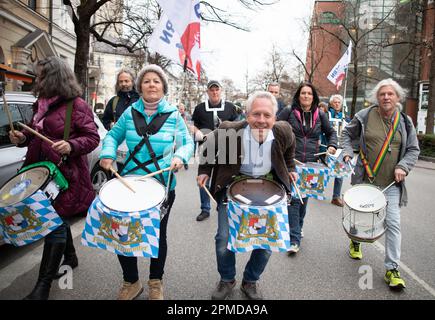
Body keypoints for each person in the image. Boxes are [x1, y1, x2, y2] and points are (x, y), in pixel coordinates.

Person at [99, 64, 194, 300]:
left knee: (157, 235)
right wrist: (108, 154)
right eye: (147, 81)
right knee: (123, 233)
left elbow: (187, 143)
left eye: (156, 81)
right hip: (129, 183)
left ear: (163, 87)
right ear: (140, 86)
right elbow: (112, 136)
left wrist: (180, 156)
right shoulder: (129, 112)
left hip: (161, 185)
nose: (152, 84)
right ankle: (131, 281)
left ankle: (155, 282)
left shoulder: (173, 114)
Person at [8, 56, 100, 300]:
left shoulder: (77, 105)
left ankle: (42, 287)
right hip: (39, 173)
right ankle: (70, 257)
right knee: (56, 220)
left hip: (65, 176)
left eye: (41, 76)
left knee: (53, 224)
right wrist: (22, 139)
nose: (37, 80)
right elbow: (34, 135)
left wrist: (71, 145)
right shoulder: (41, 103)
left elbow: (92, 138)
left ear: (54, 77)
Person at [197, 91, 297, 300]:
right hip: (233, 185)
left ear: (274, 118)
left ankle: (250, 280)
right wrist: (204, 171)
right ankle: (227, 279)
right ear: (247, 114)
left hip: (269, 188)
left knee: (266, 240)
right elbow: (208, 147)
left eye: (267, 116)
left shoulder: (284, 131)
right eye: (256, 114)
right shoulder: (229, 131)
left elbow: (289, 153)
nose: (261, 120)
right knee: (223, 238)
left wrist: (290, 168)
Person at [341, 78, 419, 289]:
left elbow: (413, 149)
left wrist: (403, 166)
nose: (386, 97)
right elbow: (347, 134)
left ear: (398, 97)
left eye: (390, 94)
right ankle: (356, 240)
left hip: (391, 184)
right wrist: (348, 153)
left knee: (393, 224)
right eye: (382, 94)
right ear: (377, 97)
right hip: (366, 179)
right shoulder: (364, 116)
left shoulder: (405, 121)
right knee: (361, 216)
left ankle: (392, 269)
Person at [278, 82, 338, 254]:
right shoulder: (289, 112)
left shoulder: (320, 115)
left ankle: (298, 226)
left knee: (304, 200)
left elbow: (331, 132)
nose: (306, 96)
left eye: (309, 94)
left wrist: (332, 145)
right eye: (303, 93)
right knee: (294, 200)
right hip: (292, 163)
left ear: (314, 97)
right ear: (298, 95)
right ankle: (294, 239)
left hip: (312, 165)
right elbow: (274, 128)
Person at [191, 80, 238, 222]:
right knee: (204, 176)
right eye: (212, 90)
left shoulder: (230, 107)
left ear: (221, 91)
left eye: (217, 89)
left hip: (226, 147)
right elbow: (194, 126)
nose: (214, 92)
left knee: (223, 176)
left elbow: (237, 125)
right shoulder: (200, 108)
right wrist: (199, 134)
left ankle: (221, 203)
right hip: (207, 147)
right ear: (208, 92)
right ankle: (205, 209)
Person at [328, 94, 348, 207]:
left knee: (339, 172)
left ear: (341, 104)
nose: (336, 104)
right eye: (334, 102)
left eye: (338, 102)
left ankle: (336, 197)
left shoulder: (346, 117)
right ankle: (315, 190)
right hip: (327, 146)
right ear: (331, 104)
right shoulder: (326, 115)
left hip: (340, 147)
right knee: (324, 171)